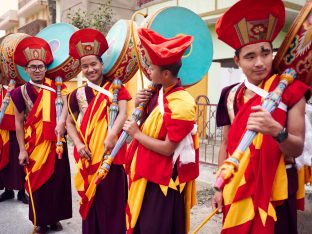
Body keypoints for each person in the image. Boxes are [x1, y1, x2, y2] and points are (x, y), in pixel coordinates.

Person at [211, 0, 311, 233]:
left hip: (278, 188)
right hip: (238, 183)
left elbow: (296, 149)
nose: (259, 63)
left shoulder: (289, 90)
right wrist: (218, 186)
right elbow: (225, 143)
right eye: (250, 56)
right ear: (237, 61)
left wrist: (276, 130)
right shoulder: (230, 95)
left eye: (266, 53)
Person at [123, 28, 199, 234]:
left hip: (163, 182)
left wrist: (137, 134)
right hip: (146, 174)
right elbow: (151, 123)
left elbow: (167, 148)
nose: (148, 71)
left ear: (165, 74)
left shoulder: (182, 103)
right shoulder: (158, 92)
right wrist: (140, 104)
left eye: (152, 68)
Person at [66, 28, 131, 234]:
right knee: (92, 201)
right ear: (81, 70)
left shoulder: (117, 88)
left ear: (102, 64)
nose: (90, 69)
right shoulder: (76, 94)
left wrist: (112, 136)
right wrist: (78, 143)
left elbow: (122, 113)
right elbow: (69, 123)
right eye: (85, 66)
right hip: (89, 154)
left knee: (113, 202)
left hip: (112, 153)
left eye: (94, 64)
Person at [11, 36, 72, 234]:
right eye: (33, 67)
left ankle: (54, 219)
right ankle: (39, 221)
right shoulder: (19, 92)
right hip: (34, 144)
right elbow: (18, 123)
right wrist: (21, 149)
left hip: (56, 143)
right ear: (26, 70)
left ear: (46, 68)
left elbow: (67, 110)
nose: (37, 70)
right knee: (38, 184)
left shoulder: (57, 88)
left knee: (57, 183)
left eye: (41, 66)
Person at [0, 72, 28, 204]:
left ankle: (22, 191)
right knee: (5, 160)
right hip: (3, 131)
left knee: (21, 161)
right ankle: (8, 190)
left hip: (20, 130)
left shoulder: (22, 88)